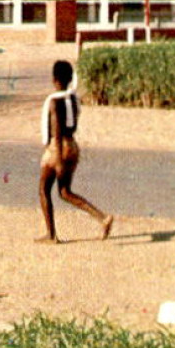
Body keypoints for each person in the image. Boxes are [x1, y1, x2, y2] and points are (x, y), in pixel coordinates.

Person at [37, 59, 114, 243]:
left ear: (54, 79)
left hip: (58, 148)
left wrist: (58, 161)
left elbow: (56, 130)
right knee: (64, 192)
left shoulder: (55, 102)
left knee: (44, 189)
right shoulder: (72, 98)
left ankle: (51, 235)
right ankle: (102, 218)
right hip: (72, 146)